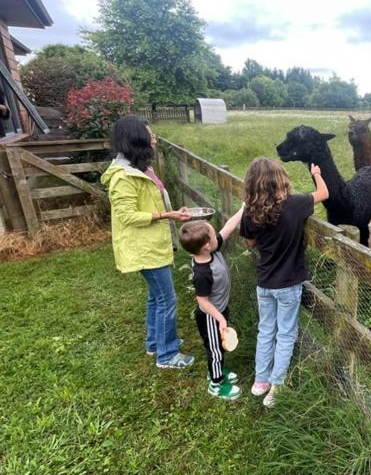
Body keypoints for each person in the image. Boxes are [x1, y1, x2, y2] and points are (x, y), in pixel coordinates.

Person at [101, 115, 195, 369]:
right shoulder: (123, 177)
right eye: (149, 135)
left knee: (156, 298)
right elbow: (127, 215)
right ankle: (167, 355)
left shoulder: (140, 168)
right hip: (144, 248)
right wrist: (166, 215)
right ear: (136, 139)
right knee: (167, 299)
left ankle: (155, 343)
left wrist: (171, 212)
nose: (154, 138)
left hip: (152, 244)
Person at [240, 157, 329, 407]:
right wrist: (317, 173)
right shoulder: (296, 204)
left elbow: (250, 243)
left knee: (266, 330)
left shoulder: (250, 211)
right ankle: (277, 385)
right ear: (281, 179)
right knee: (286, 334)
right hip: (289, 283)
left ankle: (260, 381)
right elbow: (324, 193)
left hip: (265, 282)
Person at [179, 206, 244, 400]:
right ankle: (216, 384)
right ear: (206, 245)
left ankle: (217, 371)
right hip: (210, 316)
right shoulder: (202, 273)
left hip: (219, 311)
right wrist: (219, 319)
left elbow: (228, 228)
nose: (217, 235)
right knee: (215, 350)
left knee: (217, 347)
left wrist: (243, 209)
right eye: (212, 234)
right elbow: (202, 301)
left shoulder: (211, 249)